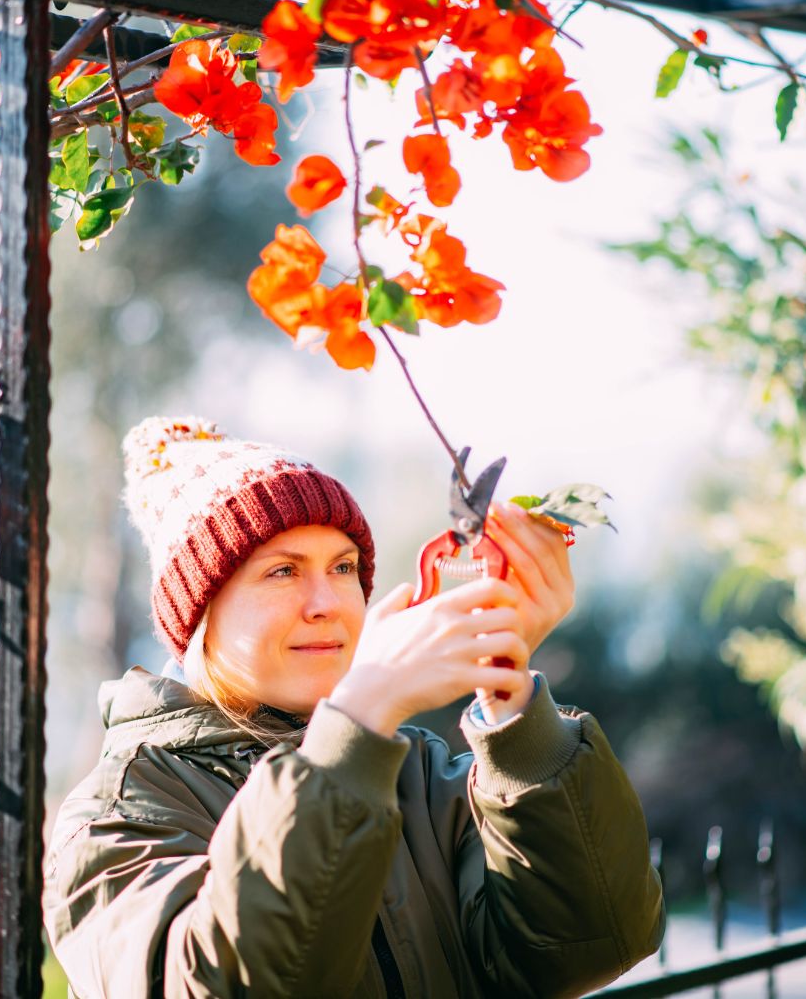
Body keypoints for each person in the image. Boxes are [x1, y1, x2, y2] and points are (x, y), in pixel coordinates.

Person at [44, 416, 664, 999]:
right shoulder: (115, 815)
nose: (328, 603)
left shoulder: (417, 769)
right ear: (198, 614)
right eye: (282, 571)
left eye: (342, 567)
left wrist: (515, 713)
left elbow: (591, 944)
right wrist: (359, 719)